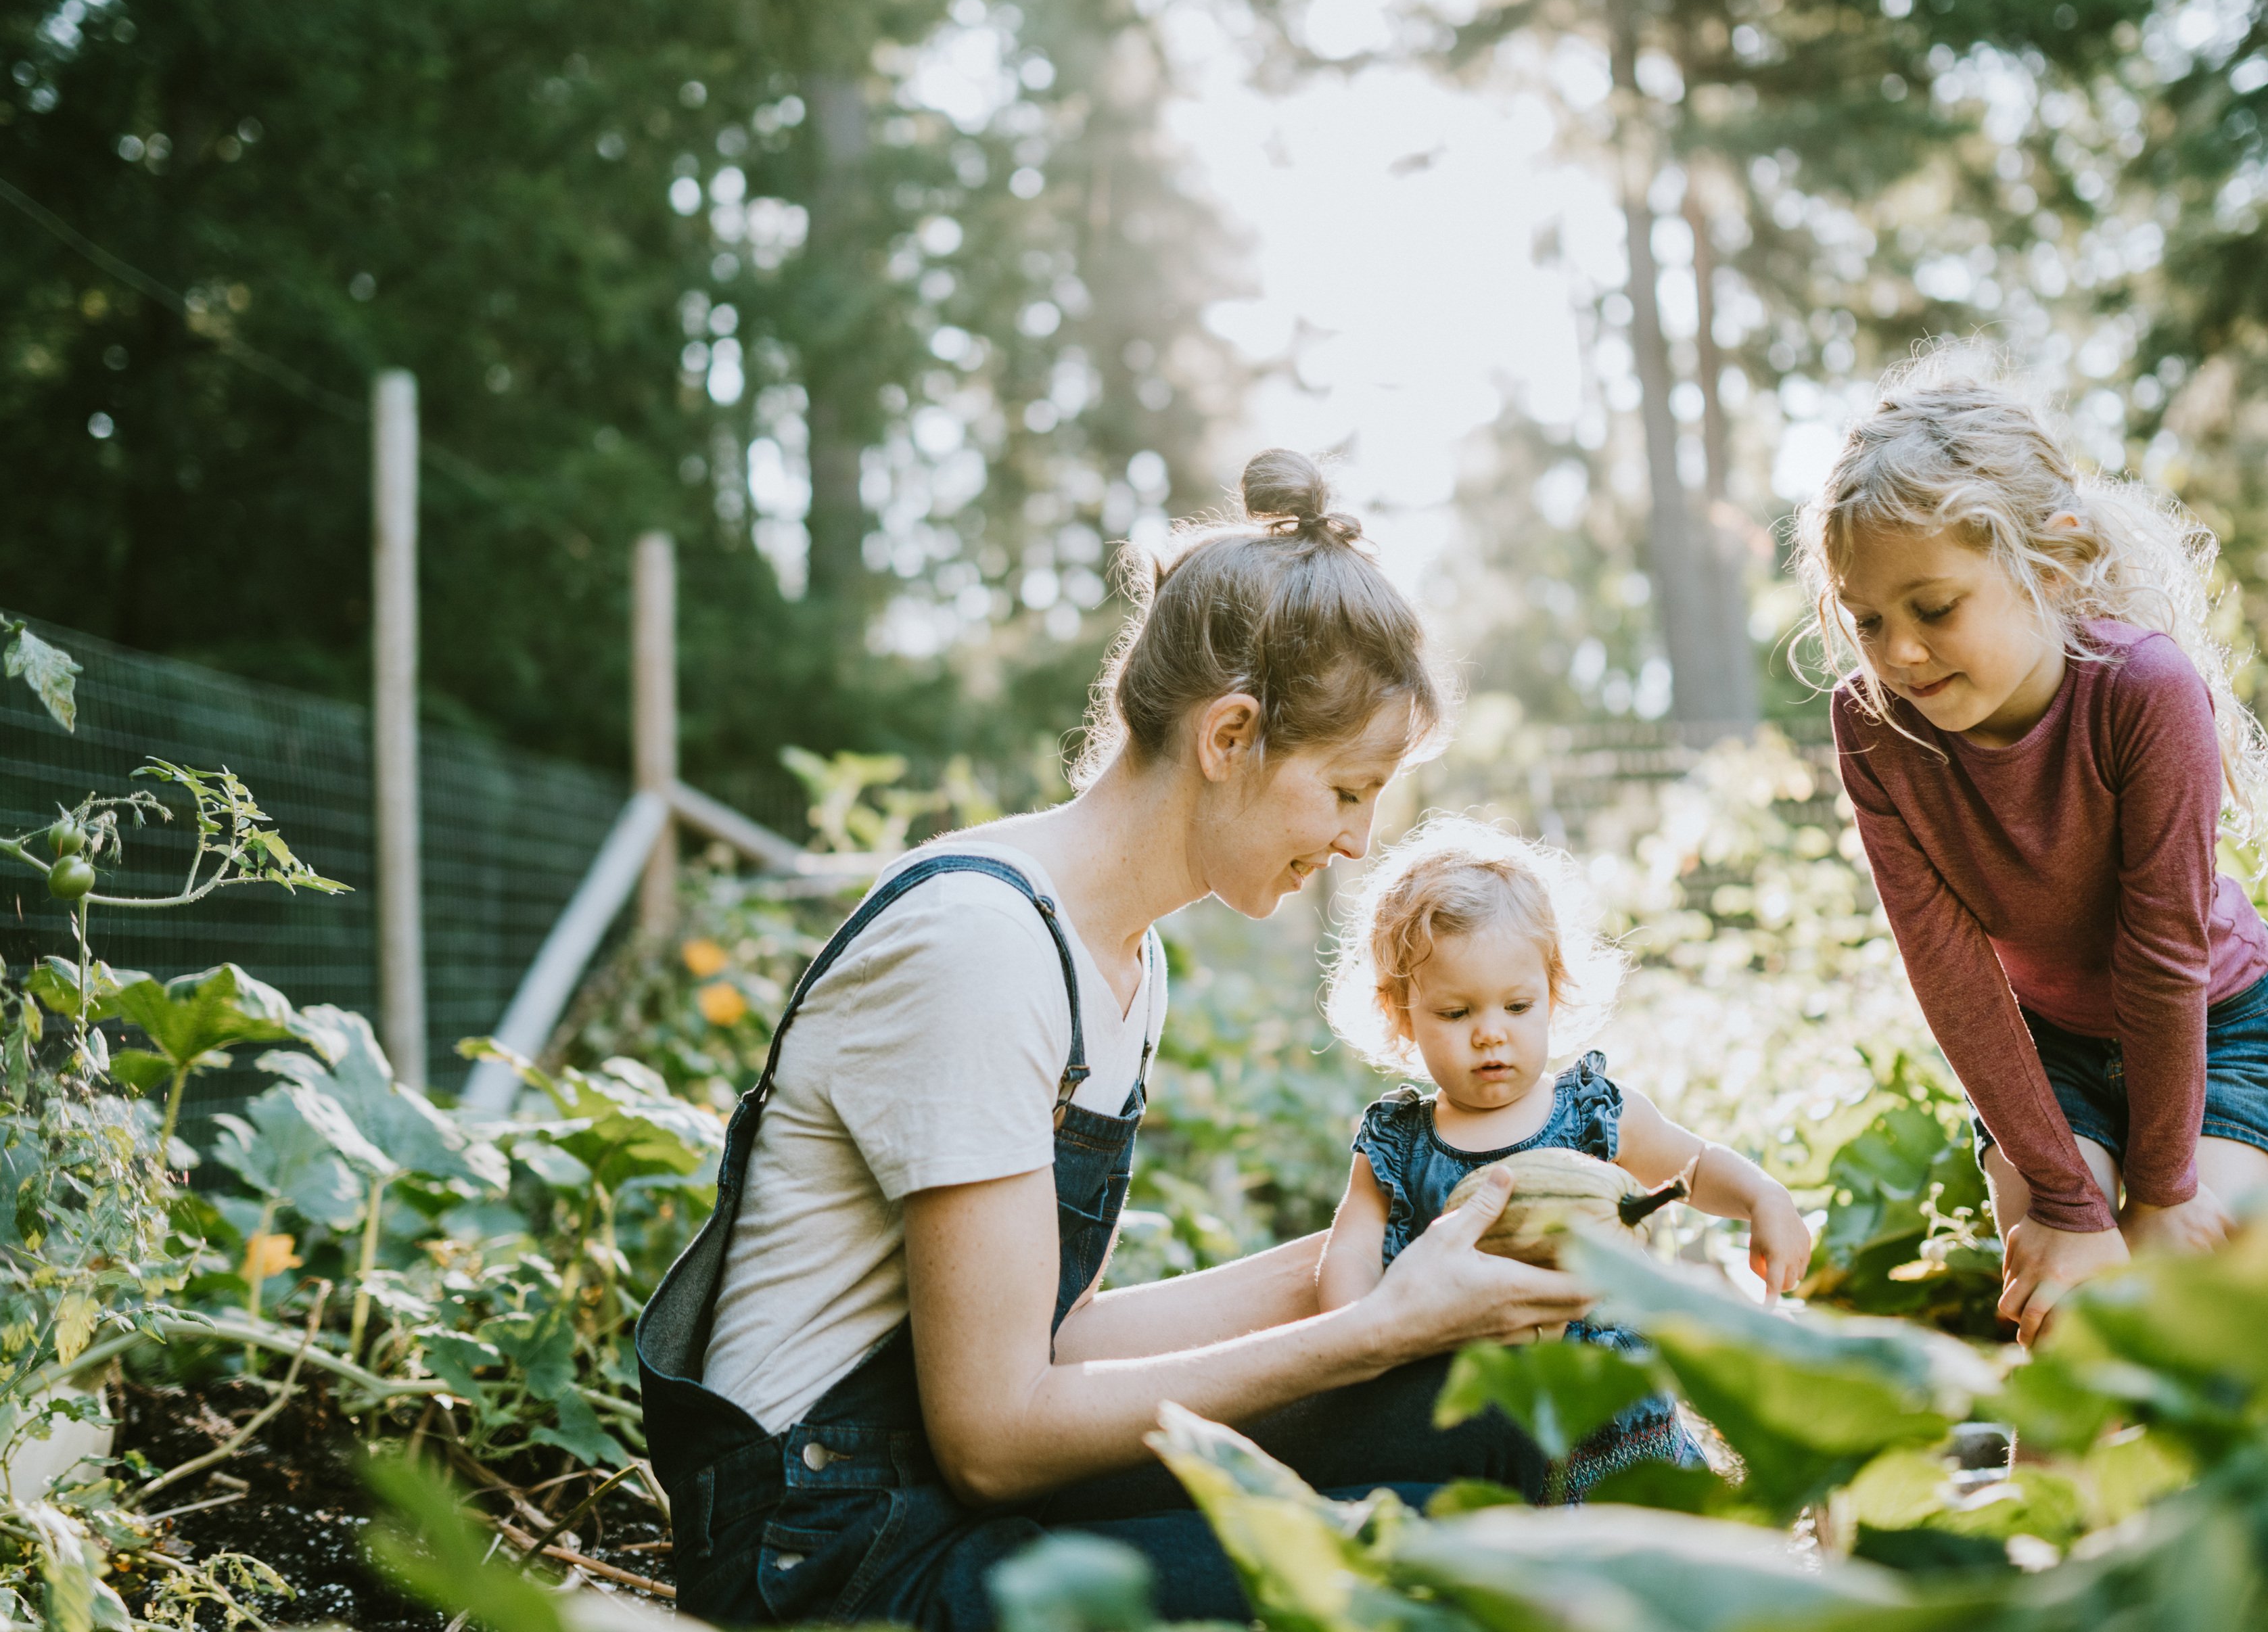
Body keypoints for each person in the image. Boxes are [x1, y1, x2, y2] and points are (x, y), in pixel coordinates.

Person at [636, 450, 1596, 1629]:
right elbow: (993, 1433)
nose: (1354, 845)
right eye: (1346, 790)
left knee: (1497, 1409)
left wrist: (1384, 1250)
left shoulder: (1115, 955)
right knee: (1421, 1570)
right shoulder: (982, 947)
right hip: (830, 1561)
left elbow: (1052, 1336)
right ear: (1229, 736)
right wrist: (1369, 1331)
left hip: (933, 1491)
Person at [1790, 347, 2268, 1347]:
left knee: (2177, 1314)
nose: (1898, 651)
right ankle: (2051, 1509)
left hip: (2210, 1023)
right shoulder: (1877, 729)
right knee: (2071, 1325)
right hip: (2044, 1051)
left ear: (2052, 565)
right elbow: (1950, 975)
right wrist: (2069, 1204)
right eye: (1868, 621)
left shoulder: (2143, 691)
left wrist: (2158, 1192)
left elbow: (2161, 959)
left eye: (1934, 608)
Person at [1314, 815, 1813, 1500]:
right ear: (1403, 1014)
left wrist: (1761, 1196)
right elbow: (1349, 1250)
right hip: (1485, 1425)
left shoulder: (1592, 1115)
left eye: (1518, 1004)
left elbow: (1691, 1164)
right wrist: (1360, 1333)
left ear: (1553, 992)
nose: (1491, 1032)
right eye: (1456, 1013)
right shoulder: (1398, 1145)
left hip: (1621, 1423)